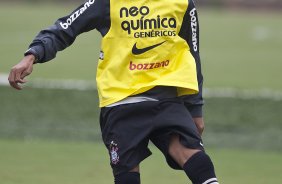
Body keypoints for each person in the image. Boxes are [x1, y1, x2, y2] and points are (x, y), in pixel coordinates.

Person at [8, 0, 219, 183]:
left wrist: (32, 54)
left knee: (143, 167)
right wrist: (33, 53)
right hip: (145, 101)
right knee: (185, 153)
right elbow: (67, 27)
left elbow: (65, 27)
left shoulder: (182, 3)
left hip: (129, 100)